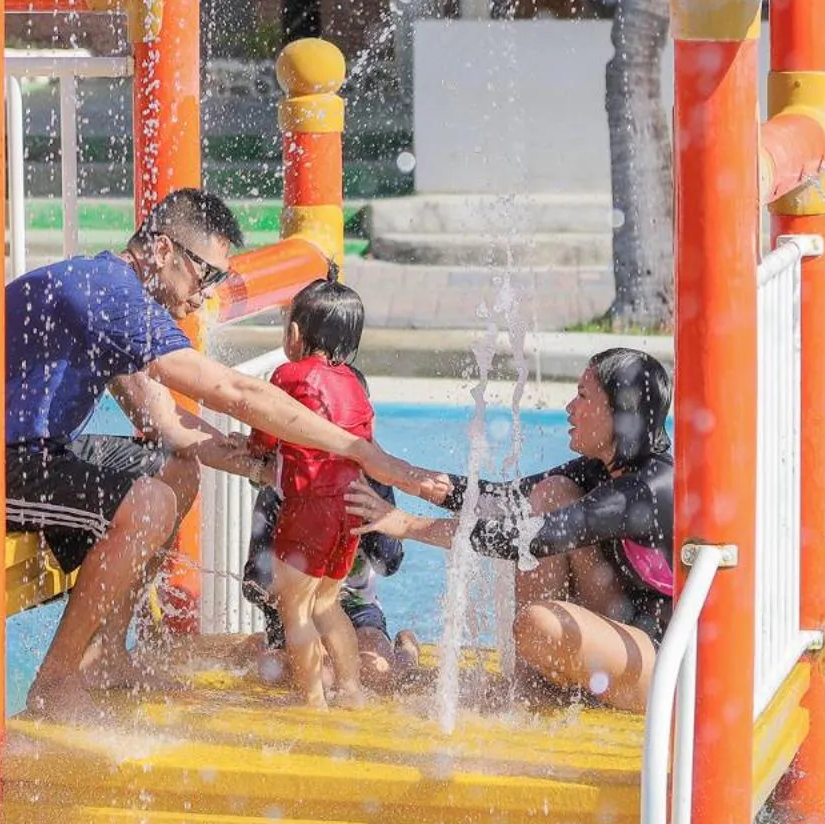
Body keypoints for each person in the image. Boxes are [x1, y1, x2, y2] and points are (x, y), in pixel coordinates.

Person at [0, 188, 446, 718]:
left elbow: (166, 421)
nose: (206, 294)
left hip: (30, 452)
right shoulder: (108, 295)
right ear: (163, 250)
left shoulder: (109, 294)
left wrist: (263, 464)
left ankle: (109, 654)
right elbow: (236, 393)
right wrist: (360, 450)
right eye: (206, 274)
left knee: (175, 471)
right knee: (149, 503)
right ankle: (55, 681)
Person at [347, 347, 673, 712]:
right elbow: (503, 500)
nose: (570, 407)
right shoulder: (605, 467)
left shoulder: (644, 491)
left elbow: (528, 538)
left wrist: (408, 524)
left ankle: (549, 685)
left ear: (618, 412)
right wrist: (398, 473)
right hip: (614, 635)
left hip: (659, 670)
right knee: (550, 493)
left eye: (582, 396)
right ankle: (528, 685)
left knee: (537, 625)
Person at [243, 279, 379, 708]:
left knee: (295, 608)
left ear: (296, 334)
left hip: (310, 507)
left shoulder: (289, 375)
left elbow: (266, 430)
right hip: (351, 509)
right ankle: (351, 690)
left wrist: (256, 454)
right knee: (326, 603)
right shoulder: (356, 387)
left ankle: (312, 702)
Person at [243, 479, 422, 692]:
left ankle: (407, 651)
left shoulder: (369, 482)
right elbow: (253, 582)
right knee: (317, 676)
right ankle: (256, 647)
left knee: (376, 674)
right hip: (298, 610)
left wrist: (371, 513)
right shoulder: (280, 485)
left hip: (358, 607)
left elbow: (388, 563)